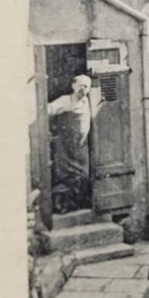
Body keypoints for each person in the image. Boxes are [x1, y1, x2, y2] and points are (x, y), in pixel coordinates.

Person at [47, 74, 95, 214]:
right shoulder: (65, 101)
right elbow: (48, 109)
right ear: (73, 86)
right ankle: (61, 205)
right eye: (81, 86)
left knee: (83, 175)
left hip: (81, 147)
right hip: (66, 148)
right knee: (66, 177)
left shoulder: (89, 102)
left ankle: (75, 205)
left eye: (86, 87)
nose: (83, 89)